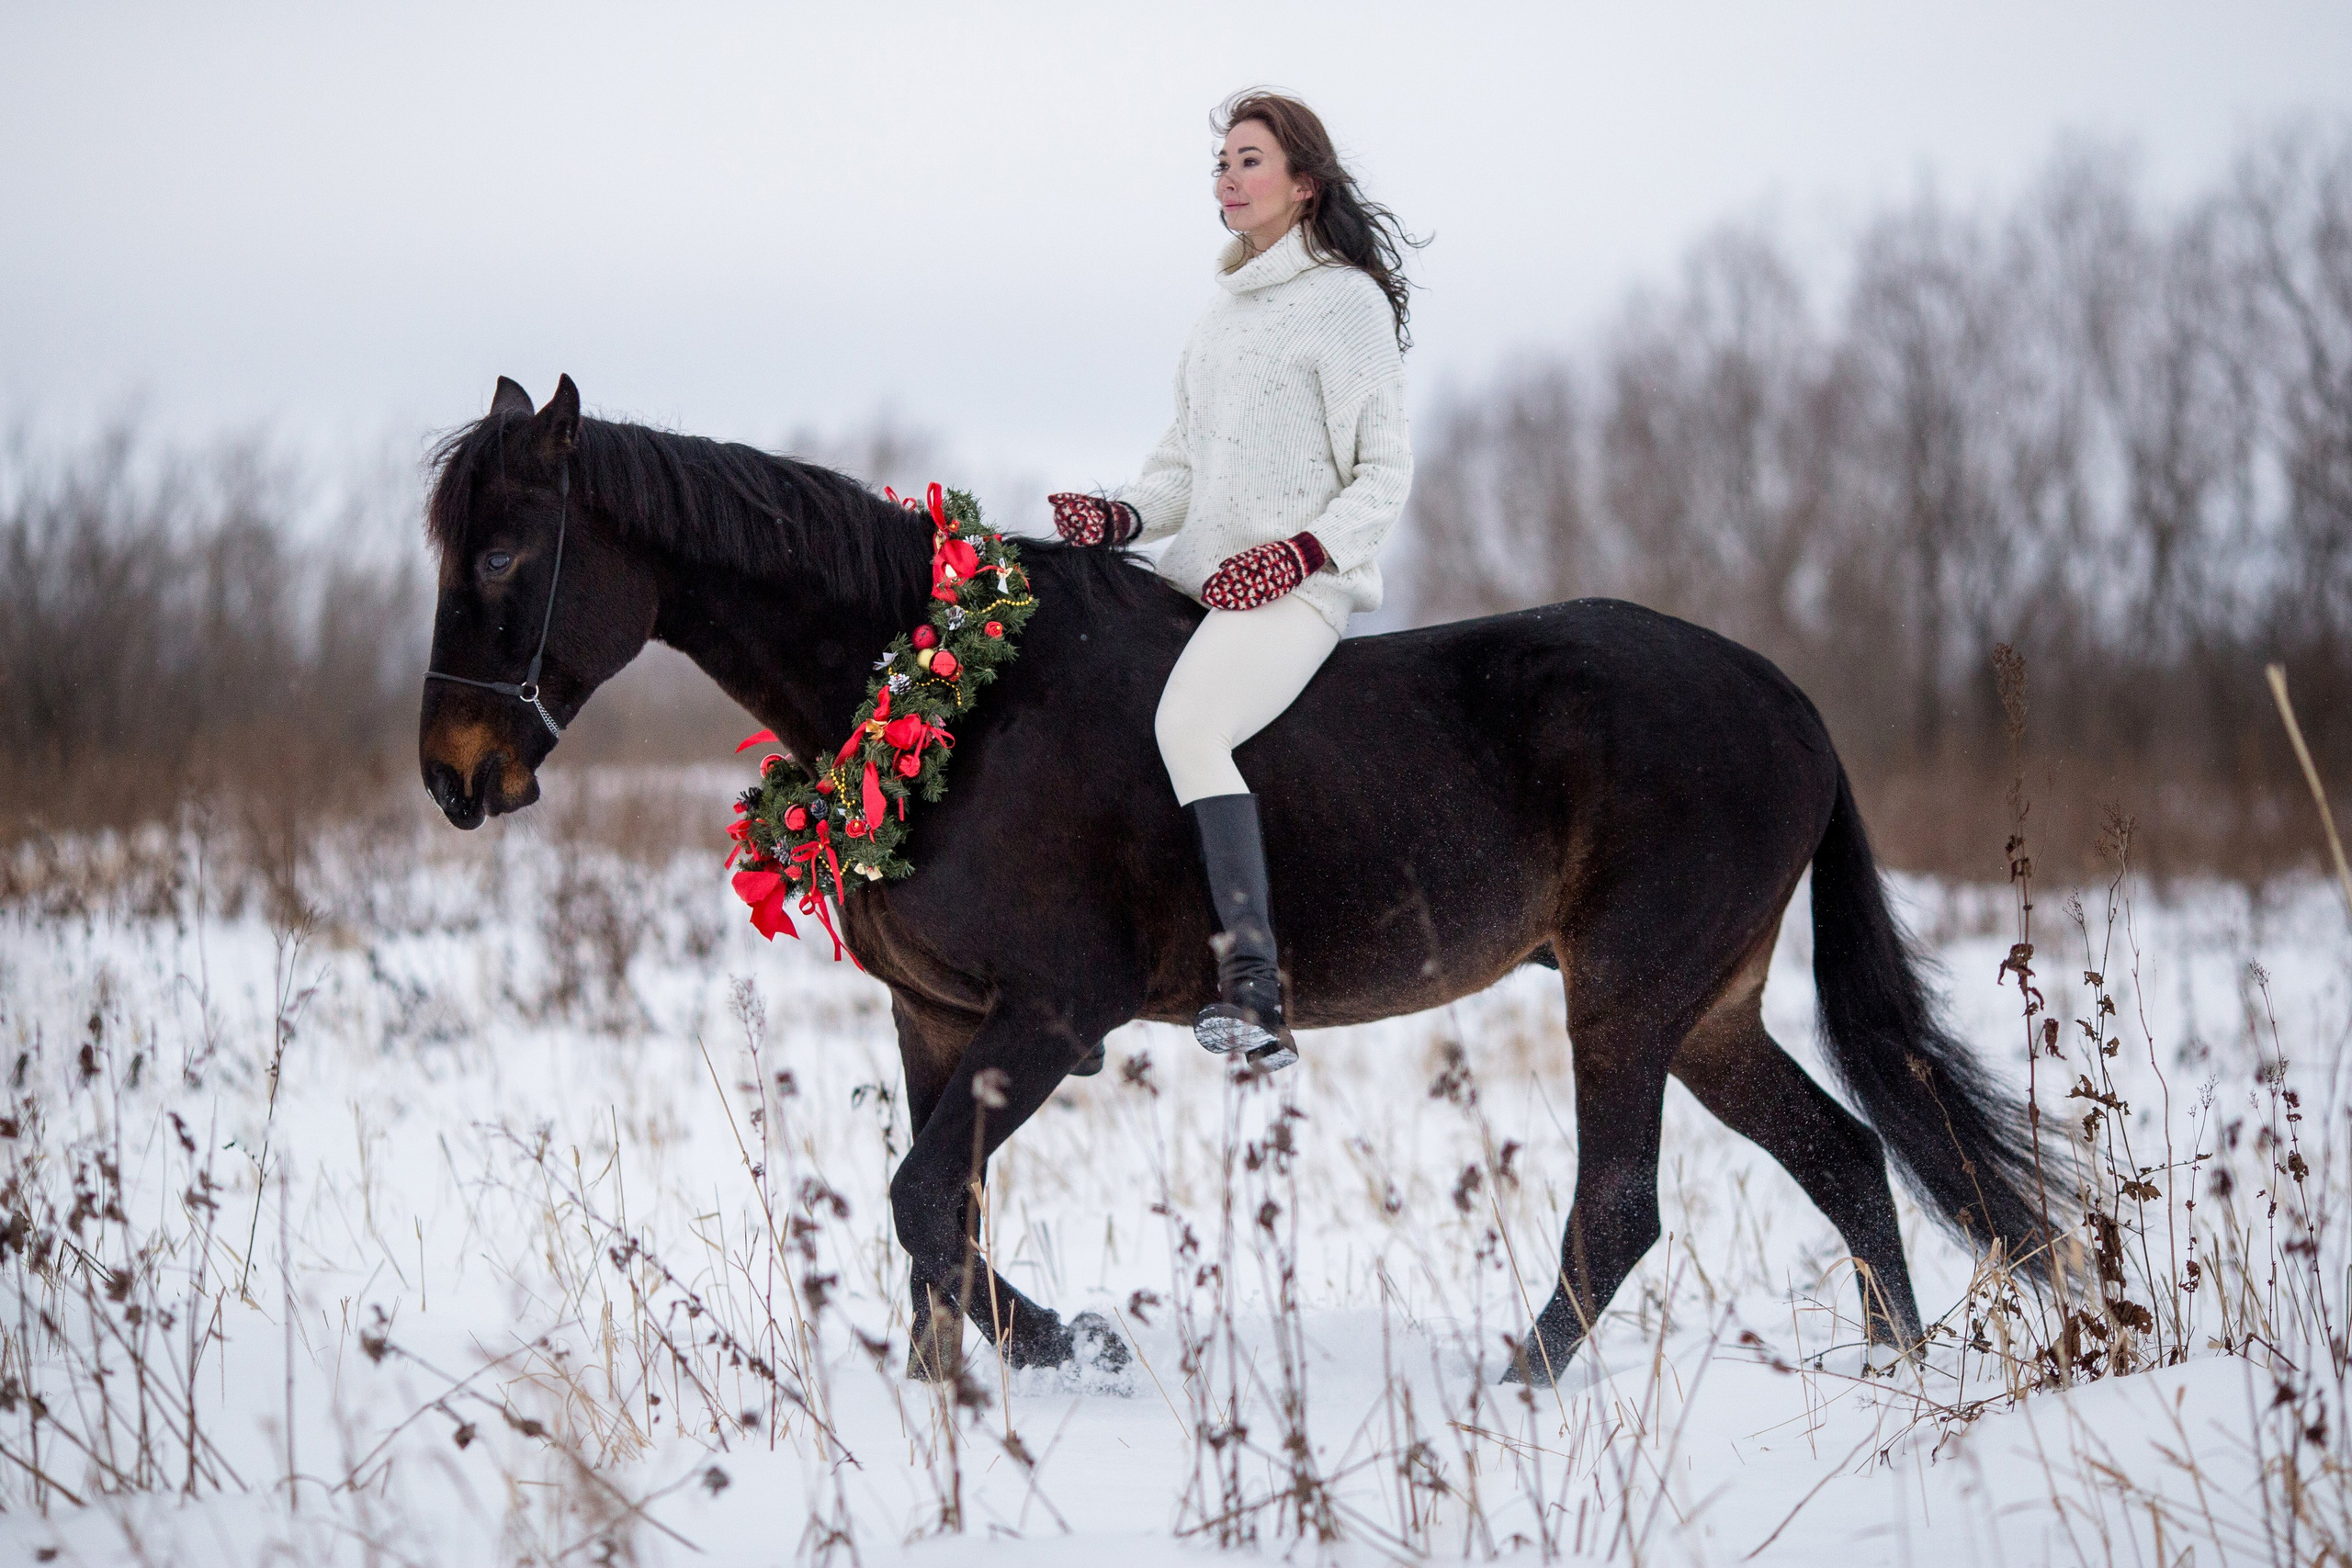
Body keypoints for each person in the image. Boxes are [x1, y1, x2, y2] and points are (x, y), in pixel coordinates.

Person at [1048, 90, 1417, 1071]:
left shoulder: (1347, 303)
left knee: (1188, 726)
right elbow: (1182, 472)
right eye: (1222, 161)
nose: (1229, 176)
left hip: (1298, 591)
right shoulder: (1219, 316)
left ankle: (1255, 987)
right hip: (1204, 583)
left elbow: (1384, 474)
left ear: (1304, 184)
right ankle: (1080, 984)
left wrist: (1300, 555)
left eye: (1250, 159)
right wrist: (1119, 516)